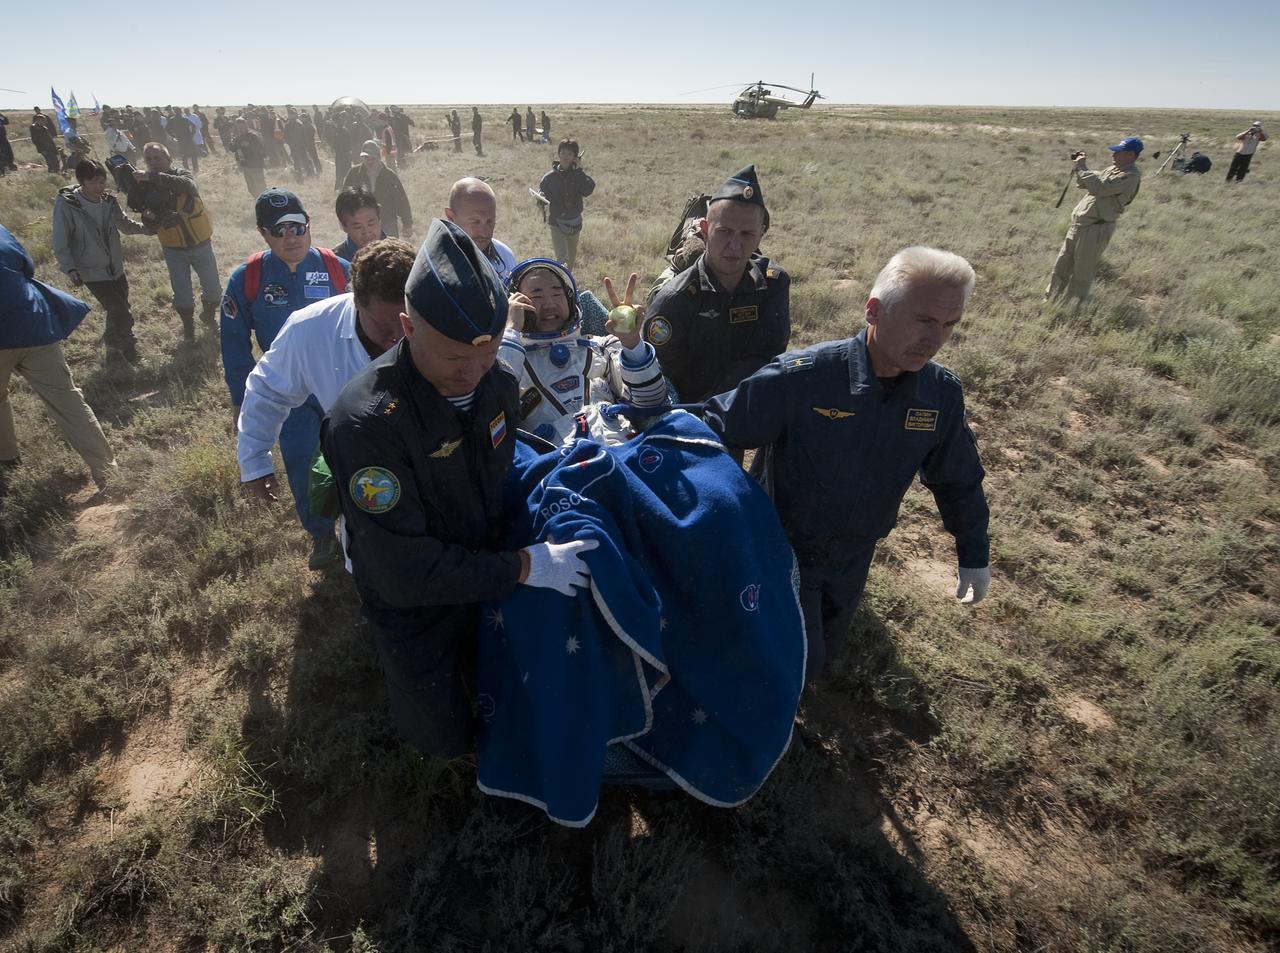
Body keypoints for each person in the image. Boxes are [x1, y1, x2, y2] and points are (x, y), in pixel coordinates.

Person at [322, 218, 597, 757]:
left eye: (490, 350)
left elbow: (499, 466)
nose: (473, 372)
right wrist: (522, 567)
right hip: (417, 604)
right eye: (454, 357)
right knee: (443, 739)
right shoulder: (368, 424)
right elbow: (403, 571)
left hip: (483, 566)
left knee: (505, 689)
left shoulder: (496, 383)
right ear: (407, 327)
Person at [703, 246, 991, 681]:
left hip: (856, 553)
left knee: (830, 645)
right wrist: (635, 411)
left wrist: (974, 551)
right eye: (925, 321)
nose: (936, 340)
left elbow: (958, 479)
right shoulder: (804, 377)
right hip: (784, 550)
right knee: (795, 659)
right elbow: (715, 423)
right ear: (874, 311)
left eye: (950, 325)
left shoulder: (939, 395)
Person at [221, 188, 350, 568]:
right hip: (288, 390)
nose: (290, 236)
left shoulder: (336, 268)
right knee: (301, 459)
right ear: (263, 233)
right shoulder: (248, 279)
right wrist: (241, 400)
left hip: (336, 381)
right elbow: (234, 345)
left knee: (351, 452)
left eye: (297, 226)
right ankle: (322, 534)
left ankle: (362, 524)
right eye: (279, 230)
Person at [239, 239, 413, 517]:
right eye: (383, 325)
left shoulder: (437, 319)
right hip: (361, 477)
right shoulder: (310, 330)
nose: (398, 335)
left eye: (407, 320)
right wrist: (254, 461)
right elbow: (267, 390)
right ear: (356, 300)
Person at [642, 164, 789, 403]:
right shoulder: (675, 298)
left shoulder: (773, 285)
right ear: (704, 230)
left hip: (748, 403)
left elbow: (767, 355)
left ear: (761, 234)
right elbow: (661, 376)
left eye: (747, 234)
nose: (735, 245)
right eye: (724, 231)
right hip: (691, 414)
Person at [1, 224, 118, 492]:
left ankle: (8, 461)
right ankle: (106, 471)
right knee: (68, 399)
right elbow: (26, 268)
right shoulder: (1, 232)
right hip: (34, 325)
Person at [500, 259, 668, 445]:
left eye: (557, 294)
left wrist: (632, 345)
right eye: (536, 297)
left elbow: (652, 402)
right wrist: (510, 331)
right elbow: (491, 411)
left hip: (621, 455)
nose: (549, 304)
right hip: (553, 466)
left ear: (571, 300)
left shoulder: (601, 347)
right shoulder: (509, 360)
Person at [52, 159, 148, 364]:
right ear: (82, 182)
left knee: (119, 306)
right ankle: (129, 348)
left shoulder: (109, 202)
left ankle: (112, 344)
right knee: (120, 310)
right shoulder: (68, 205)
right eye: (93, 182)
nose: (99, 187)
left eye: (102, 182)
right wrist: (69, 268)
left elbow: (125, 224)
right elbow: (61, 240)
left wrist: (150, 228)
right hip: (90, 270)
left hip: (115, 266)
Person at [132, 142, 222, 343]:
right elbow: (149, 226)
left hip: (202, 245)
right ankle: (188, 328)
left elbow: (189, 186)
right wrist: (150, 216)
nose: (153, 162)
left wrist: (154, 178)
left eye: (158, 158)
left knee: (214, 290)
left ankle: (208, 316)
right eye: (149, 159)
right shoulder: (144, 188)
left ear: (169, 159)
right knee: (183, 295)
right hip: (174, 249)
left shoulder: (182, 174)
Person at [1045, 136, 1143, 304]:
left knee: (1082, 271)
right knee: (1062, 265)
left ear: (1130, 155)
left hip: (1096, 228)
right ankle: (1050, 299)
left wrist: (1083, 167)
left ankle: (1072, 306)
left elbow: (1099, 188)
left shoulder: (1130, 176)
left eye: (1118, 152)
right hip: (1079, 225)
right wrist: (1079, 168)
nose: (1113, 155)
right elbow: (1086, 184)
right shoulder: (1111, 169)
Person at [444, 177, 517, 283]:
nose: (484, 232)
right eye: (475, 222)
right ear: (451, 217)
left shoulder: (505, 255)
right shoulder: (434, 263)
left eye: (489, 221)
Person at [538, 138, 595, 271]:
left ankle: (568, 284)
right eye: (563, 153)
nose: (565, 157)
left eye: (569, 154)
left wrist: (579, 171)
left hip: (574, 223)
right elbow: (543, 191)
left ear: (575, 157)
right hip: (556, 223)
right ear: (558, 154)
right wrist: (540, 197)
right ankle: (562, 282)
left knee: (571, 258)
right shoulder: (549, 177)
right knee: (562, 259)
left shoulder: (578, 176)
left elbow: (588, 190)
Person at [343, 140, 413, 238]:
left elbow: (401, 200)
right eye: (366, 157)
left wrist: (407, 223)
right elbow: (344, 198)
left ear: (379, 157)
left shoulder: (389, 176)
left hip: (387, 222)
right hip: (361, 224)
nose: (369, 161)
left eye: (372, 157)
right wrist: (344, 219)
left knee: (389, 251)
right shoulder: (354, 174)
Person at [333, 186, 386, 262]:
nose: (367, 232)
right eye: (358, 227)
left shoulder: (399, 255)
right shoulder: (334, 261)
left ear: (379, 219)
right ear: (344, 226)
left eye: (371, 224)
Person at [230, 117, 267, 197]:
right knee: (251, 187)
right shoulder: (238, 137)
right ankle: (257, 201)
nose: (240, 128)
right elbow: (232, 149)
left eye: (241, 126)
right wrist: (233, 142)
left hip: (256, 165)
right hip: (245, 165)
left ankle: (265, 202)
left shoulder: (253, 135)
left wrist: (248, 145)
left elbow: (262, 150)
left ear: (246, 125)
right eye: (238, 127)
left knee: (260, 186)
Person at [30, 109, 61, 173]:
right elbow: (36, 140)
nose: (45, 122)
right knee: (51, 162)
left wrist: (55, 148)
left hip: (50, 147)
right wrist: (42, 149)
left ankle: (56, 173)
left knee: (55, 161)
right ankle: (53, 174)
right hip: (44, 148)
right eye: (43, 121)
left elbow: (49, 139)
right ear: (39, 120)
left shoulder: (44, 128)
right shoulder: (34, 128)